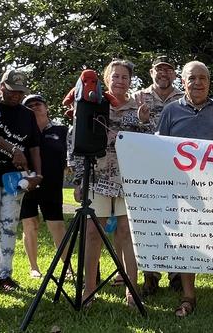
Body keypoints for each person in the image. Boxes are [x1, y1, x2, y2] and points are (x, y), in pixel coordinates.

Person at [158, 61, 213, 318]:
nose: (198, 83)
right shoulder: (171, 111)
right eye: (192, 78)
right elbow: (159, 149)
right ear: (183, 82)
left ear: (209, 81)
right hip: (184, 190)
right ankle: (188, 296)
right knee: (188, 242)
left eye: (203, 78)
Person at [71, 59, 147, 307]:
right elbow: (75, 141)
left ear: (130, 81)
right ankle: (89, 290)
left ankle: (132, 291)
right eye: (115, 76)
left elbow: (150, 145)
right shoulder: (91, 103)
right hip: (97, 177)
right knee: (93, 233)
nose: (120, 81)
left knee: (126, 233)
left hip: (128, 179)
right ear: (106, 79)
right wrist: (79, 179)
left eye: (125, 77)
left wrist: (144, 121)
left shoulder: (139, 107)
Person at [0, 70, 42, 293]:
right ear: (2, 86)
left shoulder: (27, 114)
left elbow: (34, 146)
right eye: (13, 91)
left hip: (15, 179)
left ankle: (5, 275)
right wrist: (13, 149)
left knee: (9, 227)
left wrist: (37, 174)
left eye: (21, 92)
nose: (17, 96)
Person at [132, 55, 184, 296]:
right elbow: (128, 127)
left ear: (174, 74)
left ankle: (176, 275)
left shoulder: (183, 98)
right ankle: (150, 274)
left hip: (177, 169)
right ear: (151, 72)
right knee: (150, 223)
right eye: (159, 69)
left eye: (168, 70)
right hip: (147, 167)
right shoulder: (138, 97)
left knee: (176, 222)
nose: (164, 73)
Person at [19, 95, 69, 279]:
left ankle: (67, 267)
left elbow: (69, 156)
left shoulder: (62, 130)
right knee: (30, 225)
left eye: (38, 104)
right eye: (29, 106)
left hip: (52, 186)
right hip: (26, 185)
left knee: (57, 226)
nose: (34, 107)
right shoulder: (22, 131)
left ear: (46, 107)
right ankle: (34, 267)